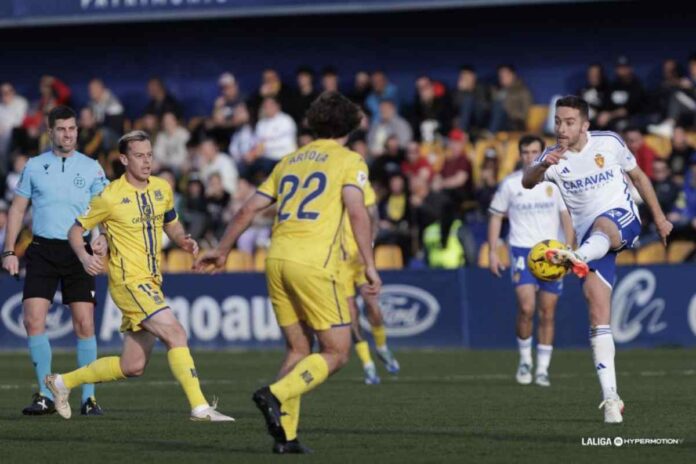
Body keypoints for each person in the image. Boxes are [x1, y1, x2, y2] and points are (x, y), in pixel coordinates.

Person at [194, 91, 380, 453]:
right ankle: (275, 393)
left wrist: (222, 249)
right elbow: (358, 212)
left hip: (276, 259)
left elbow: (248, 210)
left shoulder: (290, 160)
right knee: (338, 352)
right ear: (350, 126)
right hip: (313, 263)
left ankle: (286, 437)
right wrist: (370, 264)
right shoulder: (349, 160)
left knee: (298, 349)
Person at [44, 130, 233, 422]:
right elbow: (74, 230)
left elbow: (171, 222)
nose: (146, 162)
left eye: (149, 155)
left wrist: (184, 240)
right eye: (139, 156)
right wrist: (84, 257)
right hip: (130, 283)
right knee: (176, 333)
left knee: (133, 366)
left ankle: (62, 382)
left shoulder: (162, 188)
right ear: (123, 159)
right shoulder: (110, 197)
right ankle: (200, 407)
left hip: (152, 280)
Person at [522, 96, 672, 423]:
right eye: (558, 121)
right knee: (597, 312)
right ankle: (611, 398)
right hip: (591, 240)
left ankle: (575, 256)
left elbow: (640, 179)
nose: (561, 128)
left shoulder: (609, 142)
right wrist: (544, 165)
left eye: (569, 122)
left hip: (622, 220)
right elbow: (526, 181)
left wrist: (660, 219)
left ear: (585, 125)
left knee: (604, 225)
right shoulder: (552, 157)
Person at [1, 106, 109, 416]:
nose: (68, 134)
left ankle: (88, 399)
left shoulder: (92, 168)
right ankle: (46, 396)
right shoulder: (34, 166)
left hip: (80, 252)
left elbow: (105, 211)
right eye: (62, 129)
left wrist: (104, 238)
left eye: (72, 129)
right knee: (32, 320)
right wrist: (9, 251)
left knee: (84, 324)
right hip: (42, 250)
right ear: (51, 133)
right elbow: (18, 209)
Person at [488, 135, 574, 387]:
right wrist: (493, 251)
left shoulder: (554, 181)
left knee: (547, 311)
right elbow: (495, 216)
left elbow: (566, 215)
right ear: (519, 154)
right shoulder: (511, 184)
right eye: (525, 152)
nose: (529, 156)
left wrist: (570, 248)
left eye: (534, 151)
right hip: (522, 251)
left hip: (552, 253)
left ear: (541, 152)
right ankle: (525, 359)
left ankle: (543, 368)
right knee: (526, 308)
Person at [341, 179, 400, 385]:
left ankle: (382, 348)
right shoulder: (327, 189)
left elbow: (373, 216)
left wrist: (370, 244)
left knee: (373, 306)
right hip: (338, 264)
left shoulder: (360, 186)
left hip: (360, 258)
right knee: (351, 316)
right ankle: (368, 365)